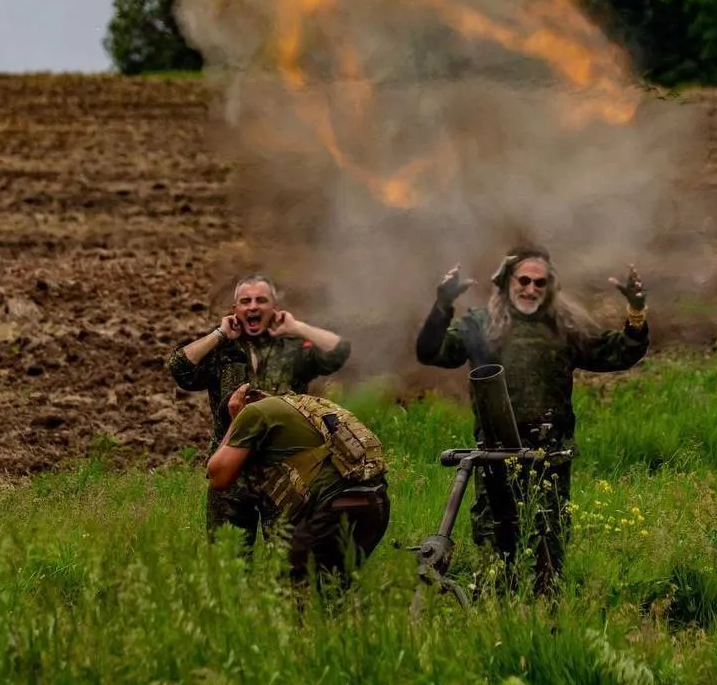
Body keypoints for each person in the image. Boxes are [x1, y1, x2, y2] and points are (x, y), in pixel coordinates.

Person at [415, 245, 649, 599]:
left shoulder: (565, 327)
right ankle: (497, 616)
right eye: (523, 280)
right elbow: (431, 351)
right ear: (507, 281)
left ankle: (544, 619)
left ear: (549, 286)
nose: (531, 289)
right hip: (496, 456)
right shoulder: (480, 325)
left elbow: (620, 353)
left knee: (548, 549)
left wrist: (636, 310)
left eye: (540, 283)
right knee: (496, 549)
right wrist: (442, 304)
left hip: (548, 457)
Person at [168, 274, 351, 551]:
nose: (253, 306)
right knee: (227, 558)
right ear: (235, 310)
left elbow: (339, 351)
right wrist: (219, 334)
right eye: (246, 301)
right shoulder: (222, 351)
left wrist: (297, 327)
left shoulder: (293, 349)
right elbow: (179, 368)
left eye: (261, 300)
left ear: (274, 308)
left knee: (288, 558)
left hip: (284, 471)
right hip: (231, 468)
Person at [207, 383, 389, 589]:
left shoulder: (253, 412)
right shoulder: (304, 406)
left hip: (335, 507)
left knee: (290, 593)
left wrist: (236, 421)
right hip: (376, 504)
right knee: (333, 591)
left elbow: (218, 477)